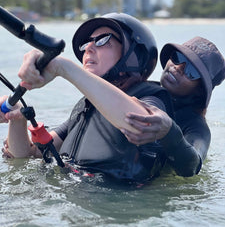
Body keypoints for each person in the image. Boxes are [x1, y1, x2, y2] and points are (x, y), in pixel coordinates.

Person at [0, 13, 174, 183]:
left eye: (103, 40)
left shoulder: (151, 96)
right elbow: (27, 155)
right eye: (86, 43)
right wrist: (17, 118)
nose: (89, 48)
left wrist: (63, 67)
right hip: (70, 196)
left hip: (113, 204)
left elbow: (145, 125)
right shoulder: (85, 107)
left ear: (134, 55)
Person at [122, 36, 225, 177]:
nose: (178, 67)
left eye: (192, 71)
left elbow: (193, 165)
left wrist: (169, 131)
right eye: (177, 57)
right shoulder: (139, 89)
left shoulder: (196, 127)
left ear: (199, 90)